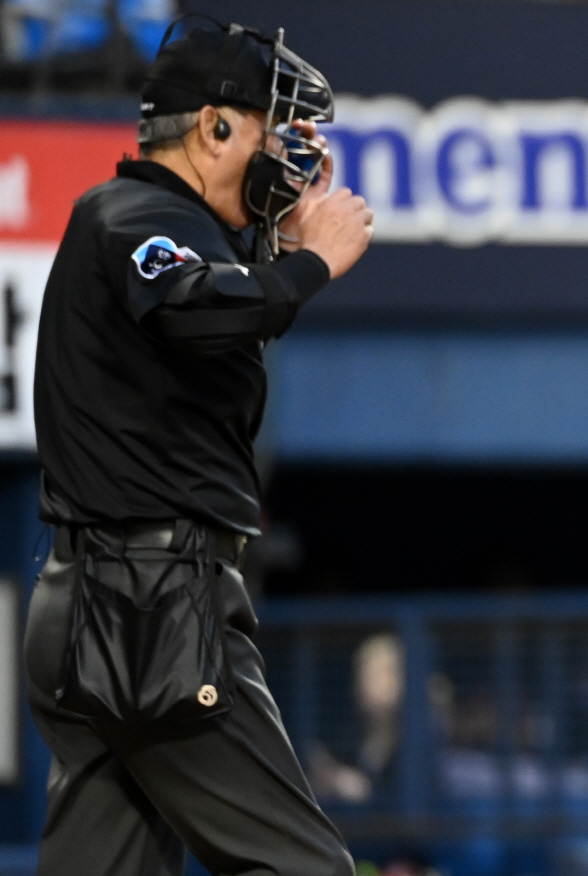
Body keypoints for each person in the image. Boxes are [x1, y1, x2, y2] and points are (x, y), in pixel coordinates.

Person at [24, 15, 372, 876]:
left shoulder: (180, 230)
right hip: (149, 605)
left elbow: (207, 311)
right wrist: (309, 265)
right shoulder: (131, 209)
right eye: (268, 124)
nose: (286, 152)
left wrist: (273, 261)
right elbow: (191, 304)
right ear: (214, 127)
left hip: (100, 603)